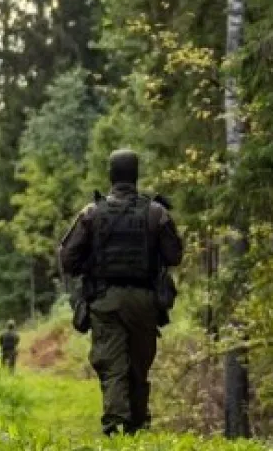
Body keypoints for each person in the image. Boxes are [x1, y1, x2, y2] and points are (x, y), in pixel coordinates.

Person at [58, 149, 183, 436]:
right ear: (135, 175)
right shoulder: (156, 212)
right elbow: (174, 256)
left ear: (111, 175)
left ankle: (115, 423)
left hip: (105, 300)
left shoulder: (91, 213)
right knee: (139, 365)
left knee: (112, 364)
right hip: (144, 301)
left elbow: (67, 259)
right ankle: (137, 424)